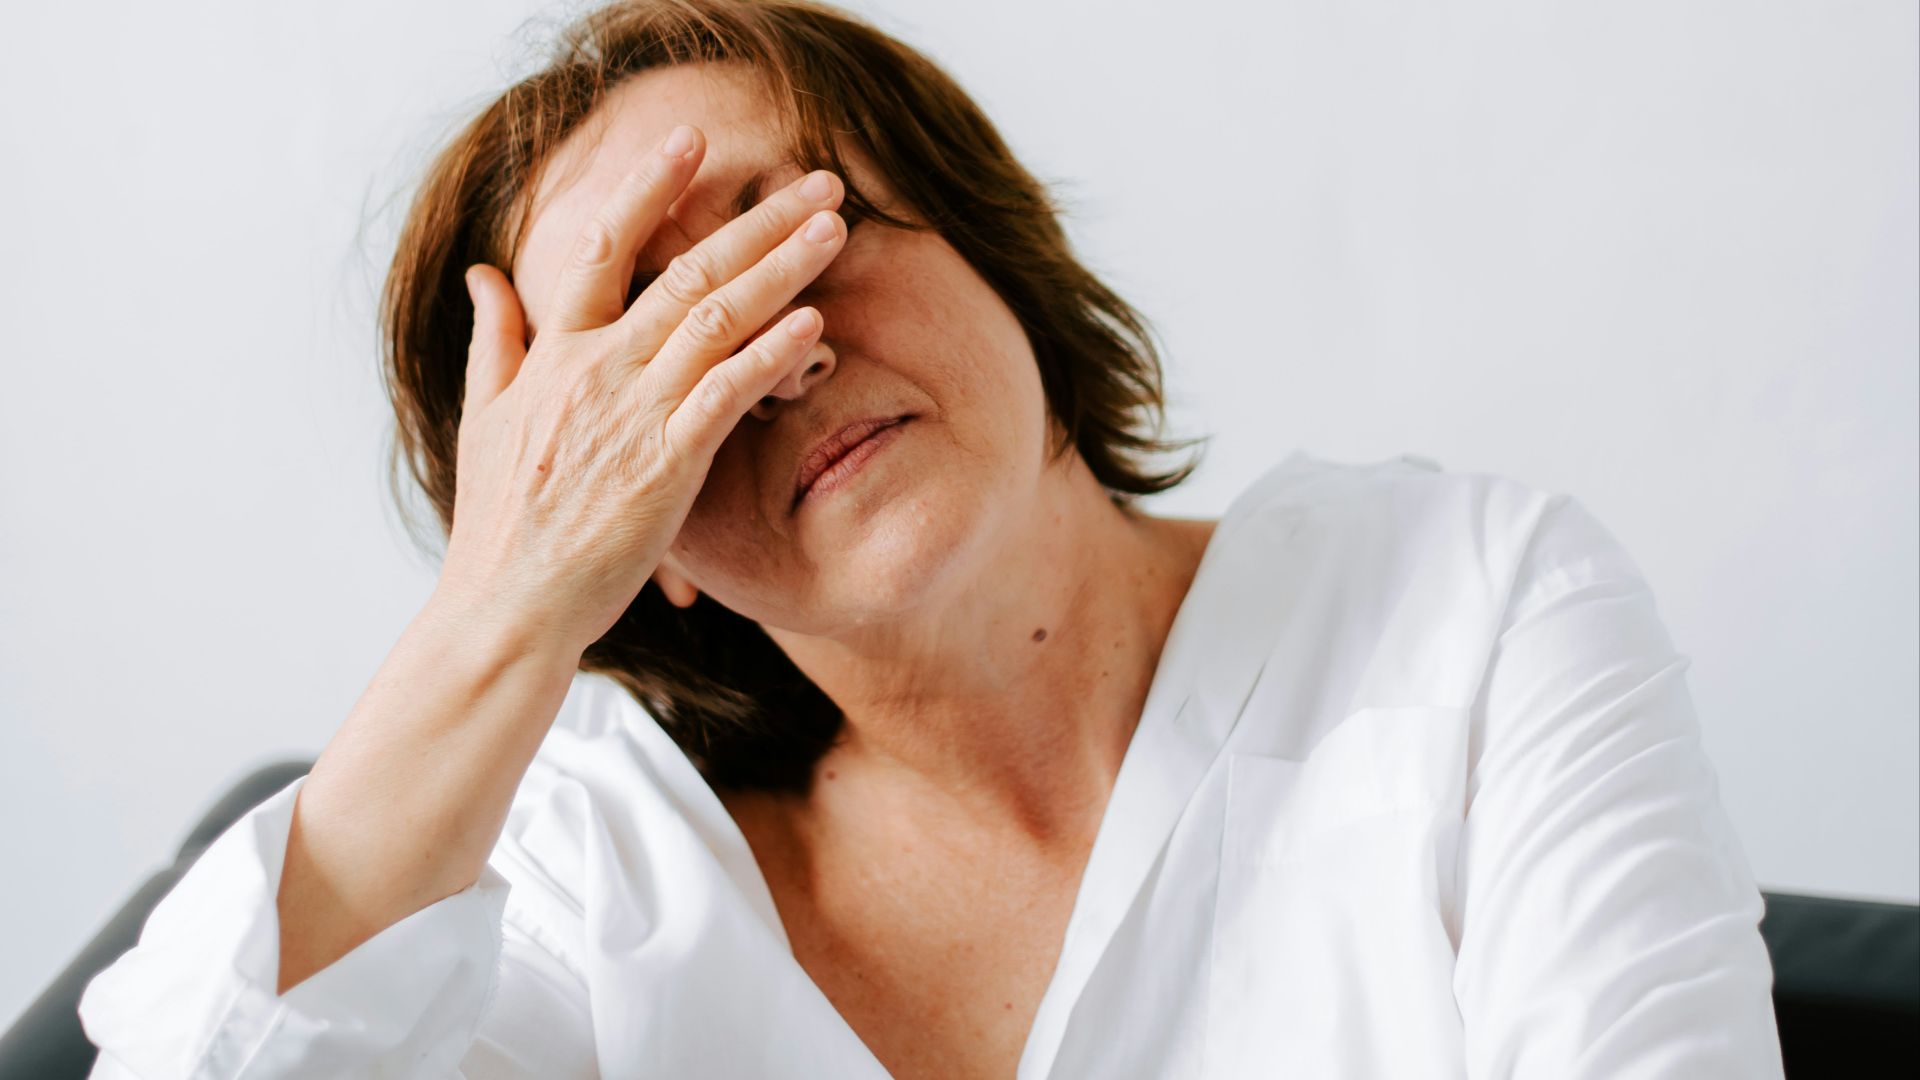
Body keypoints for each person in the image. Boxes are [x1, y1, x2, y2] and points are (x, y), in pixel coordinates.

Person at [76, 1, 1785, 1076]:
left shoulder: (1473, 609)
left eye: (791, 235)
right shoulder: (582, 880)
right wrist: (502, 611)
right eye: (654, 354)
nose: (777, 360)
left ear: (989, 244)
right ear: (618, 530)